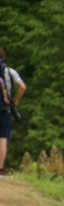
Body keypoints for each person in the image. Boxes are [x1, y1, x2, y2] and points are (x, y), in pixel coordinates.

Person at [0, 47, 28, 177]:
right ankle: (0, 168)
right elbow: (22, 87)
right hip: (5, 108)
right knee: (3, 138)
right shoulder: (10, 72)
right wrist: (15, 100)